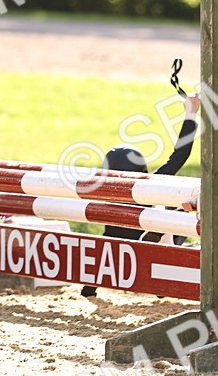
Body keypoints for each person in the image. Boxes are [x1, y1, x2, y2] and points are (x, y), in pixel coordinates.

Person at [82, 94, 200, 297]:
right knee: (175, 210)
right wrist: (191, 113)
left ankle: (90, 287)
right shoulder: (148, 184)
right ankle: (161, 262)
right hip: (148, 256)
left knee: (112, 235)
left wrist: (89, 287)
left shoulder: (101, 188)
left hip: (113, 256)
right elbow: (180, 155)